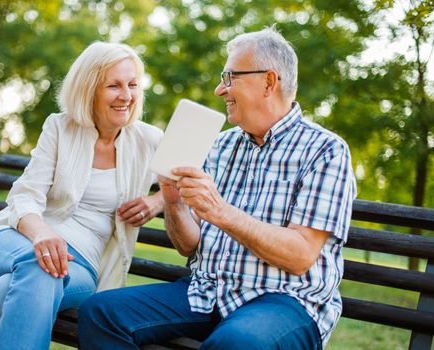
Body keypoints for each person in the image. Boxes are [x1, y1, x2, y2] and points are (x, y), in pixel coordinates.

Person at [78, 27, 357, 349]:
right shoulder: (219, 145)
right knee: (100, 313)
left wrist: (221, 211)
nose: (218, 90)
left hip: (285, 301)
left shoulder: (325, 150)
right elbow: (189, 246)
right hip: (206, 291)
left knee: (235, 343)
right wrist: (172, 200)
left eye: (229, 78)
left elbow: (300, 256)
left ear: (268, 82)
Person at [0, 41, 164, 349]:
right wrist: (41, 234)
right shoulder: (59, 128)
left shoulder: (148, 140)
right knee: (36, 263)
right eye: (114, 85)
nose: (126, 95)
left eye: (133, 85)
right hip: (20, 239)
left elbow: (196, 176)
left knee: (10, 289)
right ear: (89, 89)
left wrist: (157, 200)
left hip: (81, 264)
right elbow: (24, 196)